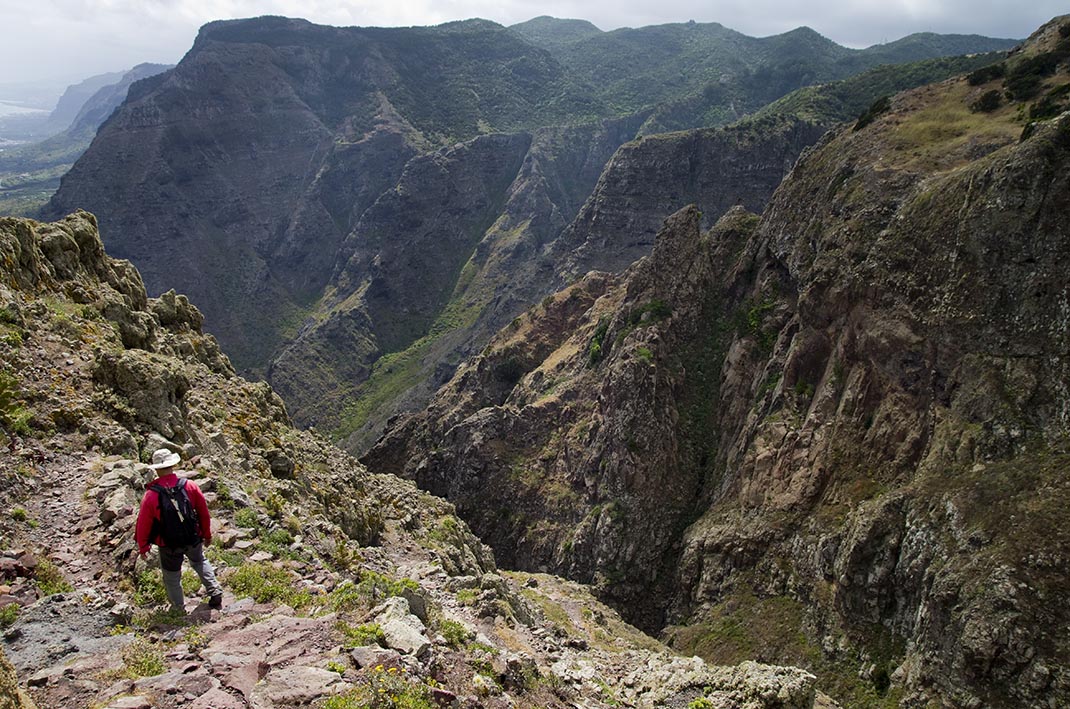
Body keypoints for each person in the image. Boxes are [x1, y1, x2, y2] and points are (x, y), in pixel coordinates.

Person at [135, 448, 223, 611]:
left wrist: (143, 546)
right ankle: (214, 590)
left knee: (171, 575)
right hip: (192, 536)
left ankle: (178, 607)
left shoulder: (151, 495)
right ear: (173, 465)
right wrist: (207, 534)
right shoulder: (190, 486)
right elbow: (203, 513)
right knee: (199, 561)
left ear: (156, 469)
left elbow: (143, 523)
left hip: (167, 543)